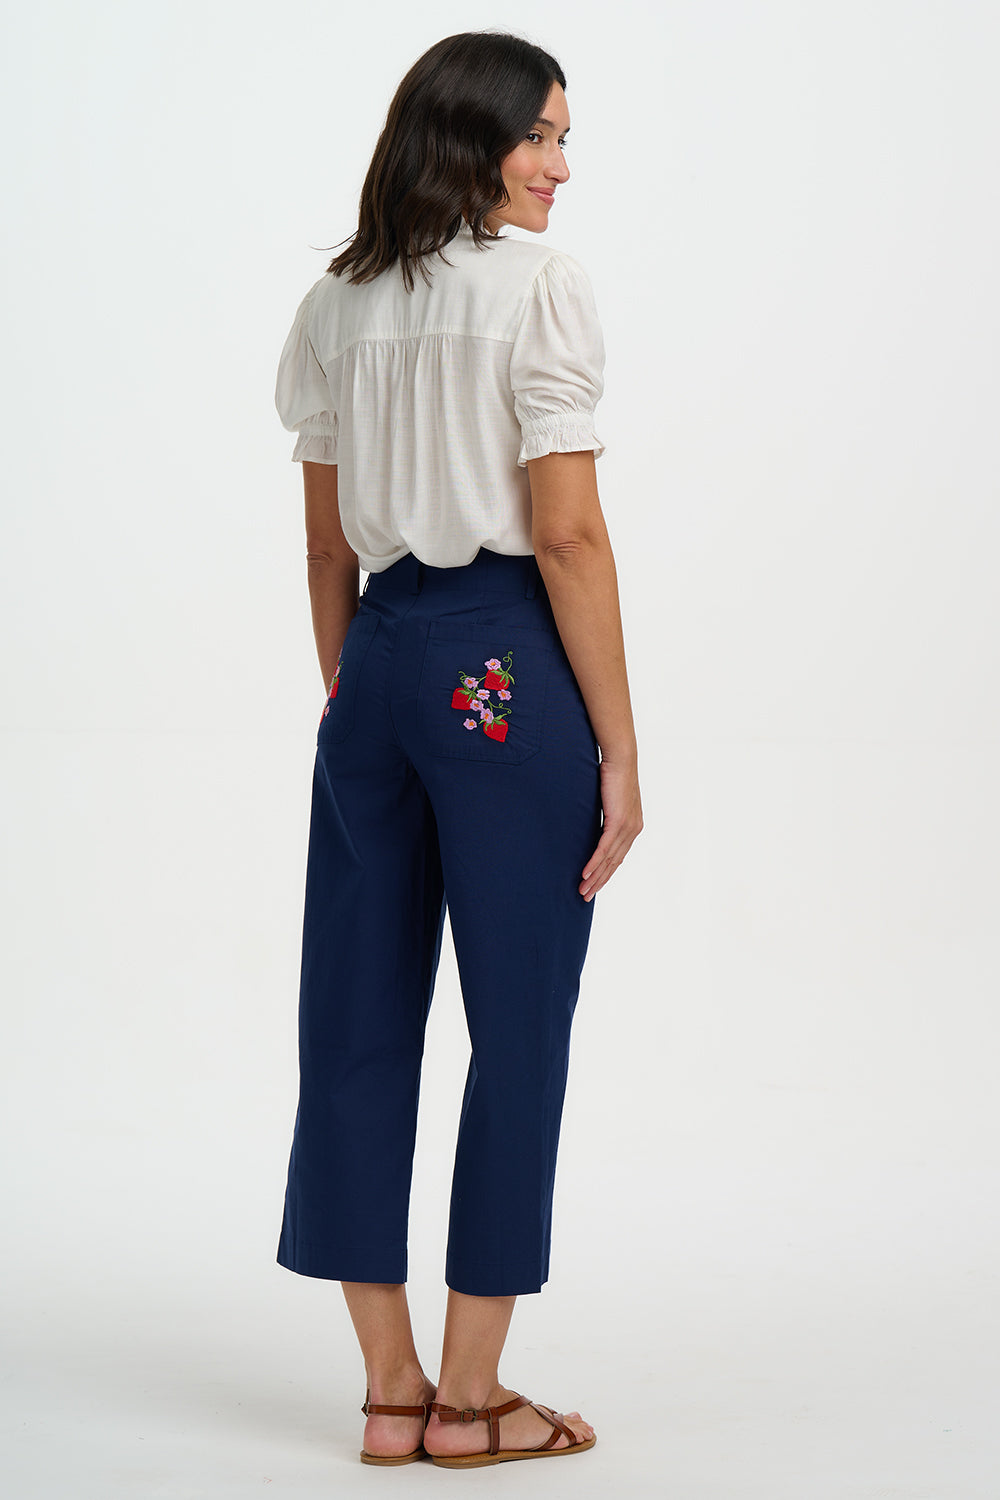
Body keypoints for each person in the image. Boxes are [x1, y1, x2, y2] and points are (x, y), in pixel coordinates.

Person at [273, 30, 643, 1469]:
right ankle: (475, 1401)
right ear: (471, 135)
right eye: (543, 135)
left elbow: (322, 550)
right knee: (520, 1024)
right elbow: (564, 533)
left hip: (375, 658)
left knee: (354, 1020)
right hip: (504, 663)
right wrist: (618, 745)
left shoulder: (334, 304)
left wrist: (363, 692)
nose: (561, 166)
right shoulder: (539, 289)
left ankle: (388, 1389)